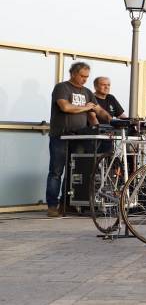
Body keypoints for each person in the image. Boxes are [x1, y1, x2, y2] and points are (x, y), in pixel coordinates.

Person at [46, 62, 110, 217]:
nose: (84, 80)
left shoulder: (88, 92)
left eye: (87, 77)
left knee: (75, 171)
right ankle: (52, 206)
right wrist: (87, 107)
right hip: (61, 136)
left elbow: (99, 112)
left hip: (80, 137)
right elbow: (66, 107)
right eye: (82, 76)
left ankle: (67, 204)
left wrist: (108, 118)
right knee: (56, 171)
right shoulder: (62, 87)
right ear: (73, 73)